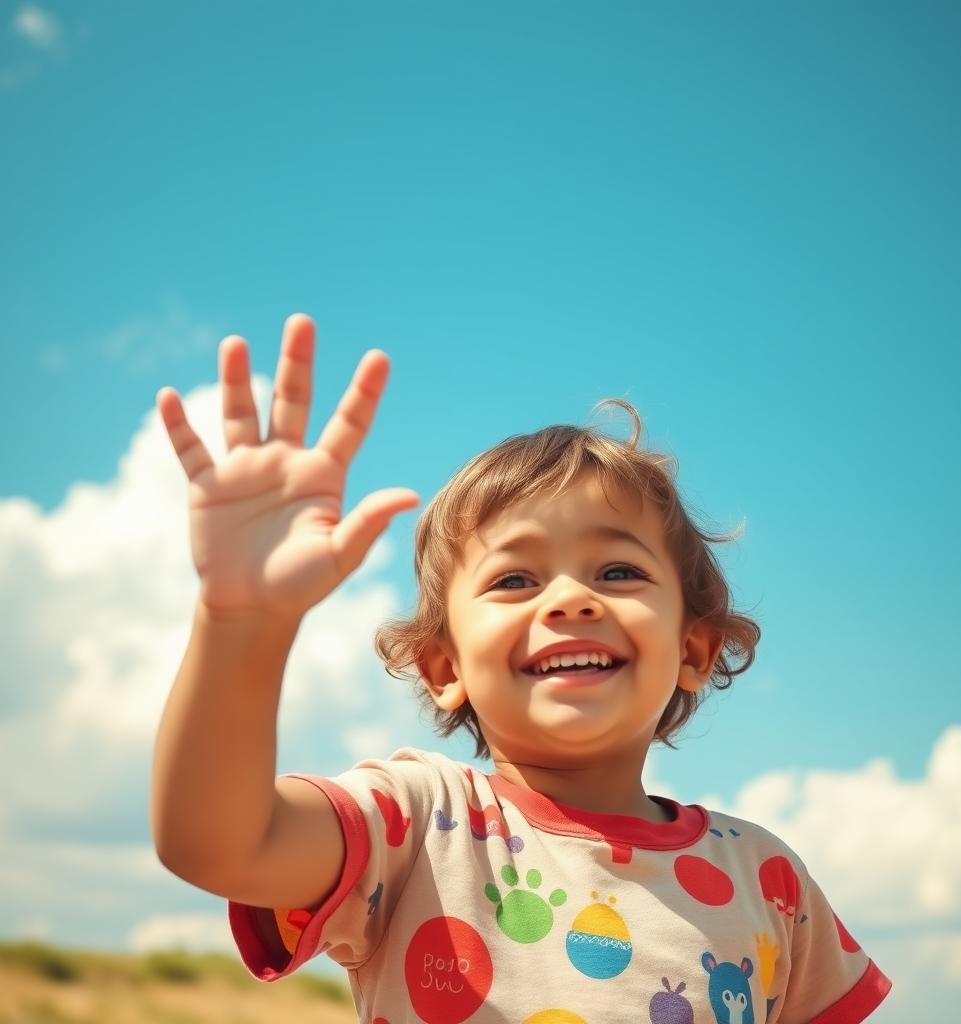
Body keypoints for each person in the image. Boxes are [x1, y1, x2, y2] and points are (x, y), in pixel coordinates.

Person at [151, 313, 892, 1024]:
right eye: (515, 581)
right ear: (444, 665)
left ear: (694, 650)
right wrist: (241, 625)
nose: (571, 599)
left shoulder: (768, 878)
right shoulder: (415, 824)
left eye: (618, 572)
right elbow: (218, 843)